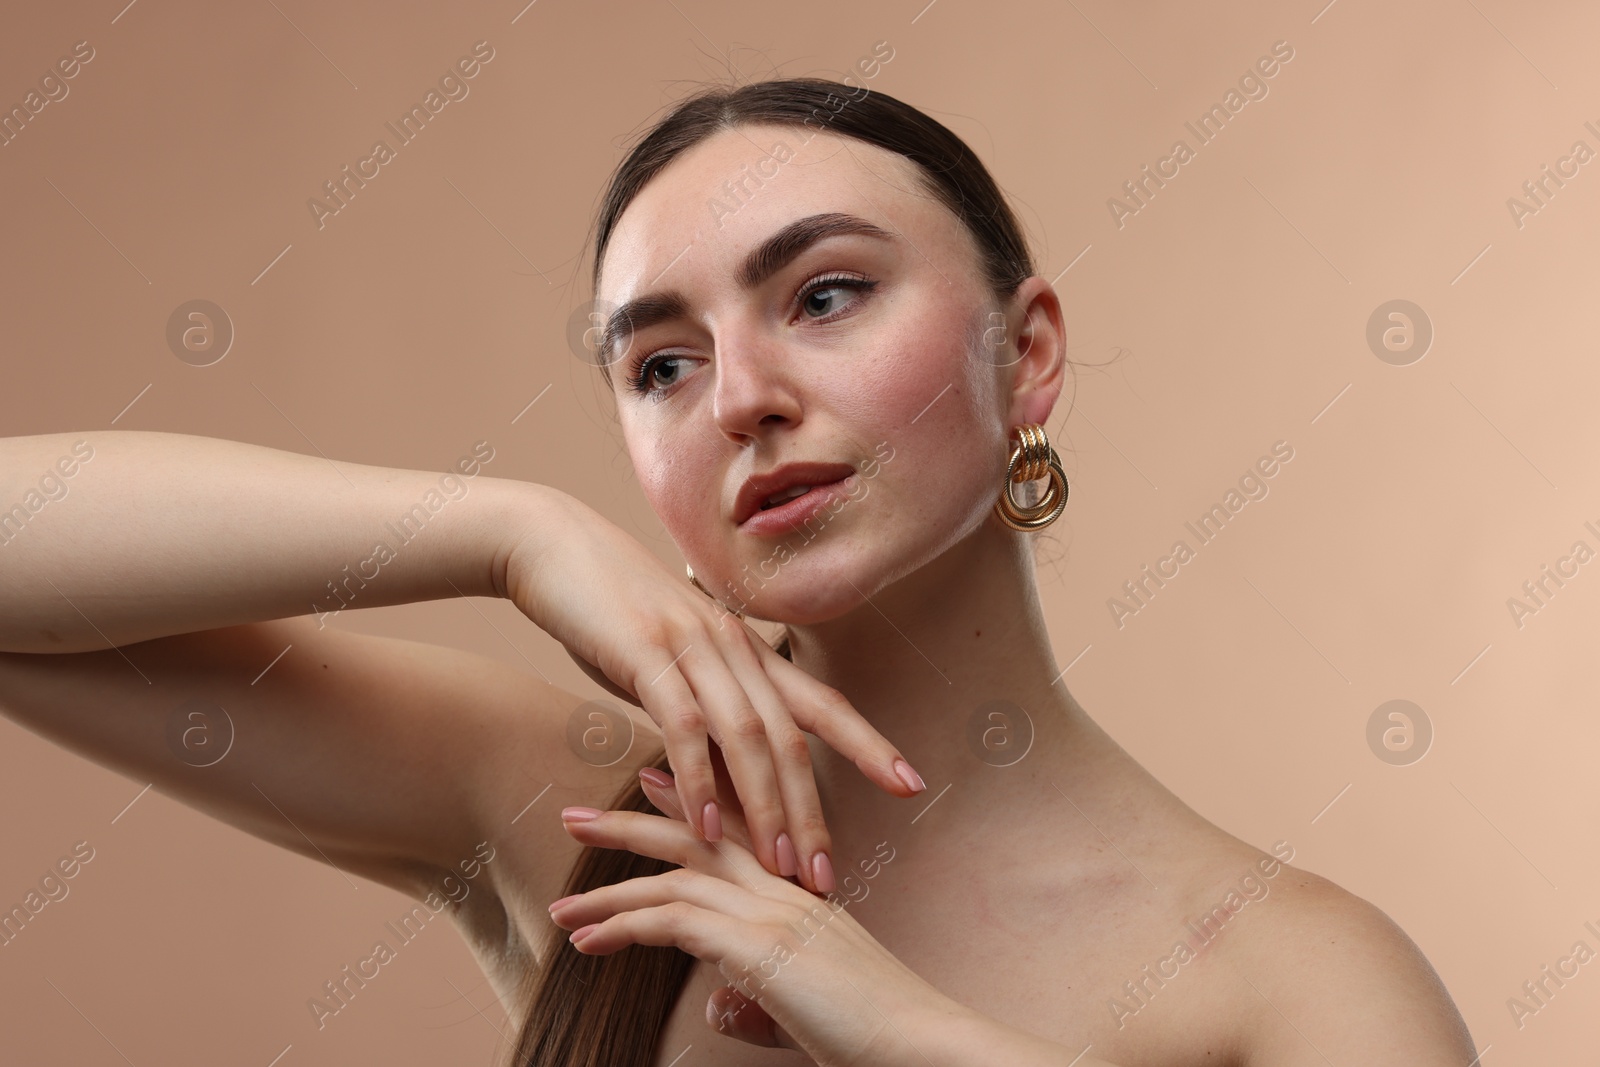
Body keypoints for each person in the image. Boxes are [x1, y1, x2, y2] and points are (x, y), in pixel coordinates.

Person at [0, 77, 1476, 1066]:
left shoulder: (1298, 974)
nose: (740, 397)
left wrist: (902, 1032)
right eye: (660, 362)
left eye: (825, 294)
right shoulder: (582, 816)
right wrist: (513, 535)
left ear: (1024, 357)